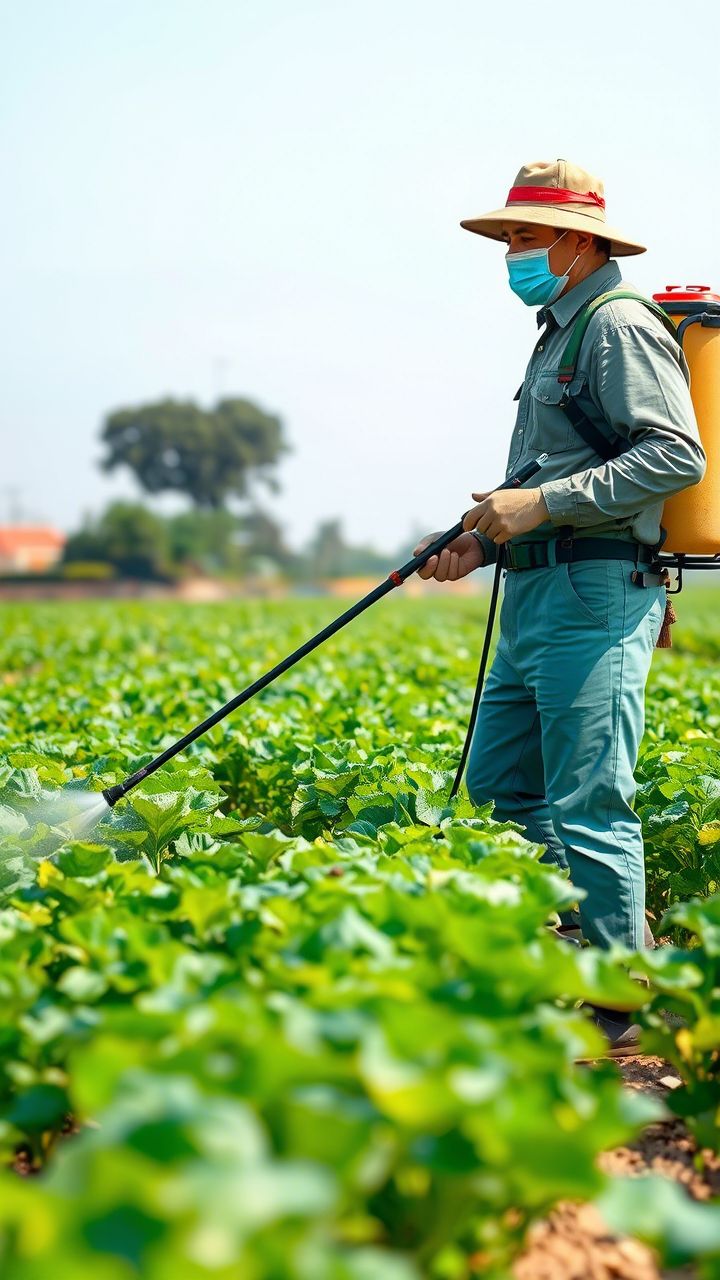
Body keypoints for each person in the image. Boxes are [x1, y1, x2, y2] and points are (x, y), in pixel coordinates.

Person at [414, 159, 706, 1055]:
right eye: (507, 239)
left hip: (592, 590)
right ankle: (576, 948)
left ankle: (620, 1001)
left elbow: (675, 457)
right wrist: (485, 535)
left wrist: (537, 507)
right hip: (535, 585)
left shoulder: (616, 325)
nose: (512, 253)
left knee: (590, 797)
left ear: (580, 241)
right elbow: (556, 471)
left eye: (526, 237)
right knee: (504, 781)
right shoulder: (559, 329)